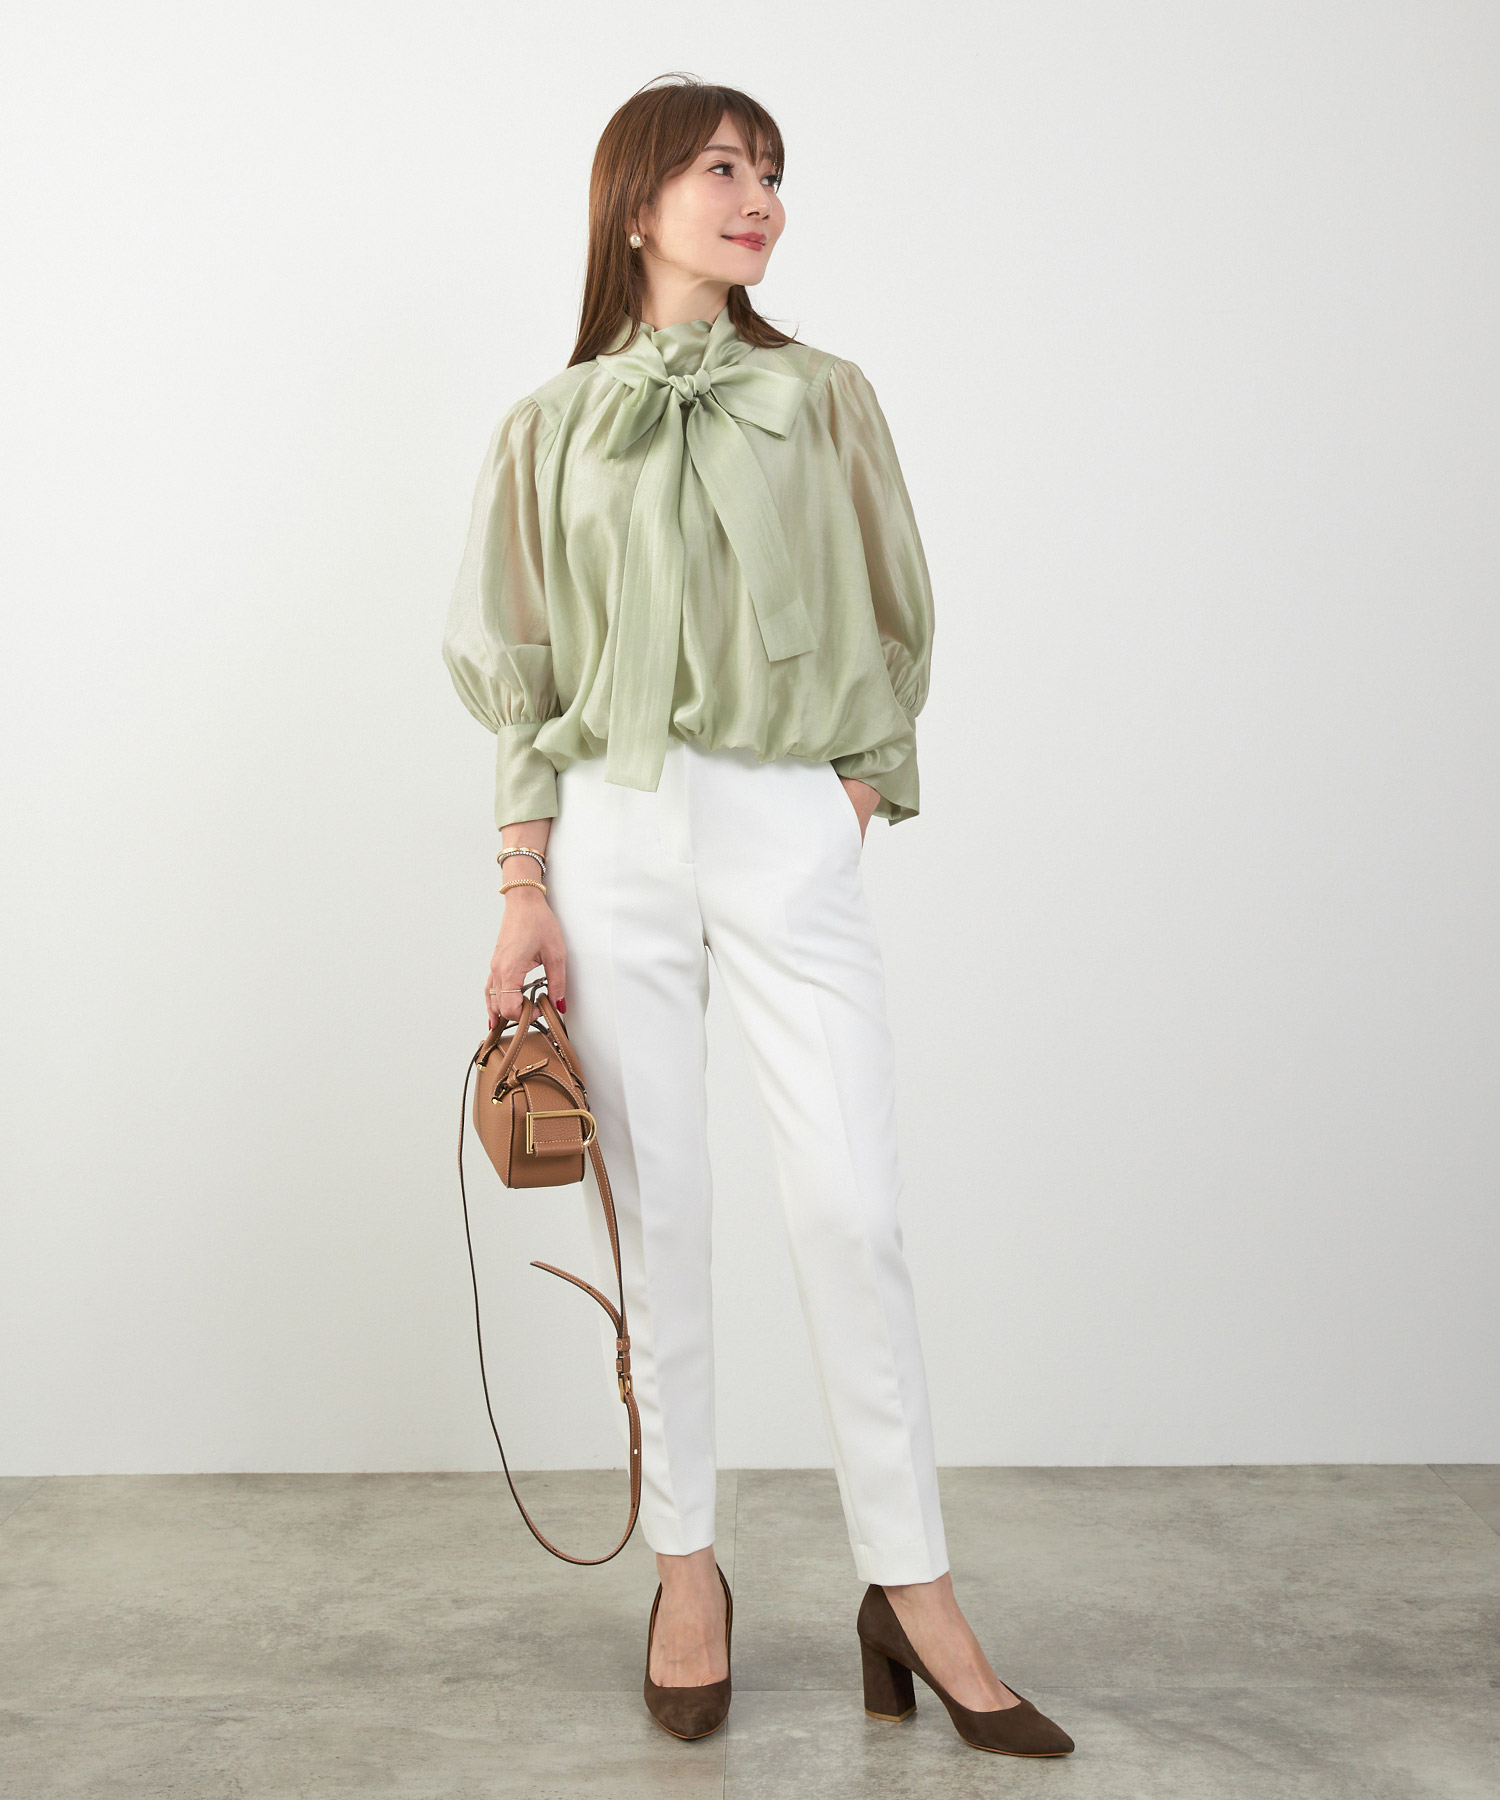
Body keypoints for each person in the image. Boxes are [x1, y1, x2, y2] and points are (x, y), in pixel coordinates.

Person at [442, 73, 1073, 1758]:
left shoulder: (825, 396)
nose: (759, 197)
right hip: (611, 831)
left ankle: (913, 1586)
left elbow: (896, 600)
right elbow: (524, 673)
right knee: (659, 1216)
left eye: (774, 172)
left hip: (789, 814)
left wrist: (850, 791)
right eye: (724, 167)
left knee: (852, 1209)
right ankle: (687, 1572)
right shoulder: (548, 428)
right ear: (635, 201)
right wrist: (523, 885)